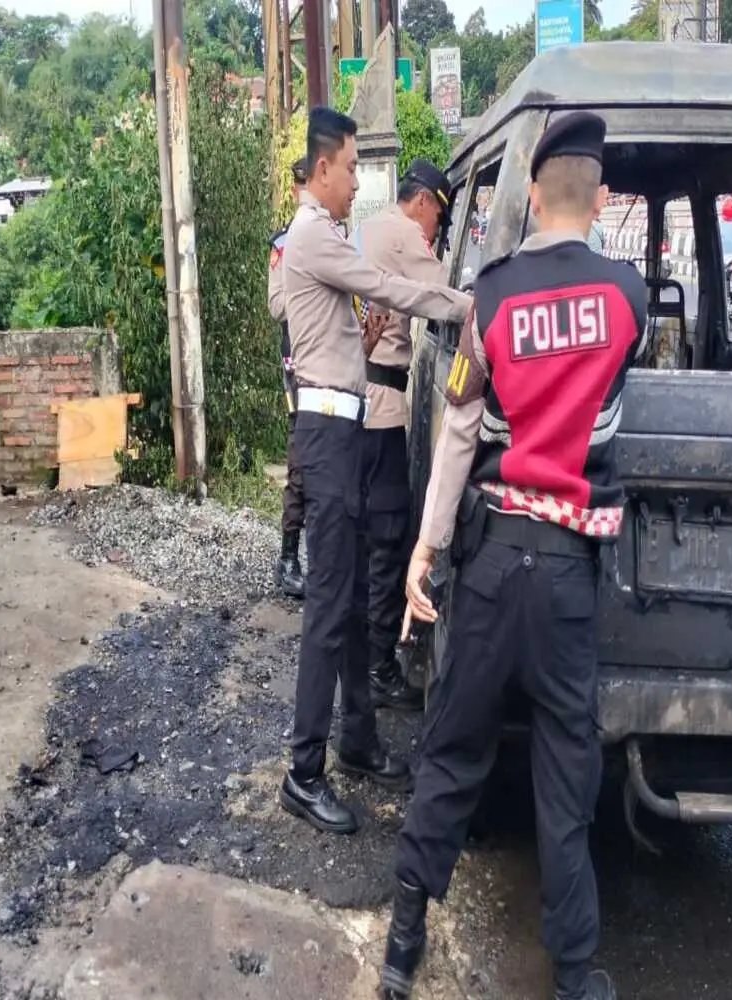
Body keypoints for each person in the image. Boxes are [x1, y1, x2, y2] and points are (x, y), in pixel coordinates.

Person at [378, 112, 648, 1000]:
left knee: (453, 752)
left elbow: (458, 435)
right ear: (598, 198)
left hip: (490, 571)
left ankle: (401, 947)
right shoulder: (628, 298)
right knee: (567, 778)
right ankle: (576, 977)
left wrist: (426, 550)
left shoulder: (489, 298)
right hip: (571, 577)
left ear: (531, 196)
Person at [278, 106, 472, 836]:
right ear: (323, 168)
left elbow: (335, 320)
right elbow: (393, 289)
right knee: (329, 610)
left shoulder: (319, 238)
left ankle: (356, 741)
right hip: (327, 437)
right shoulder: (310, 236)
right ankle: (303, 772)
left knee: (356, 597)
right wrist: (463, 303)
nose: (357, 180)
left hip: (344, 431)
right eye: (353, 166)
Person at [352, 159, 454, 712]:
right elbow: (444, 290)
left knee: (374, 535)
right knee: (389, 536)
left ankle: (373, 659)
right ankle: (377, 668)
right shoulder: (404, 234)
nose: (435, 228)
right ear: (423, 204)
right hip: (381, 405)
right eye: (438, 214)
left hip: (364, 403)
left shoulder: (372, 227)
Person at [268, 156, 311, 599]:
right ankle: (288, 559)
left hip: (330, 360)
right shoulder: (283, 245)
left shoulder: (334, 236)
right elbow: (277, 306)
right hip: (297, 360)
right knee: (301, 457)